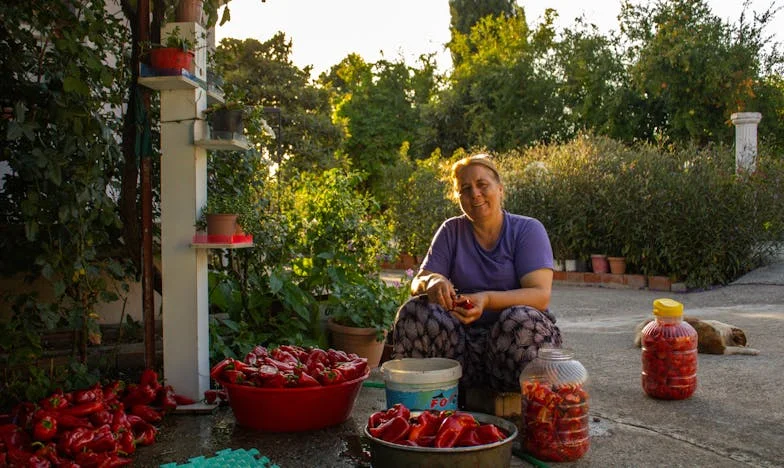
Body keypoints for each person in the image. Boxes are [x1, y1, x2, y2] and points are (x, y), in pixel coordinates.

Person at [391, 153, 563, 392]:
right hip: (462, 351)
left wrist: (487, 300)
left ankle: (528, 406)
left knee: (520, 318)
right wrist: (434, 281)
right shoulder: (451, 230)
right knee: (415, 311)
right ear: (458, 196)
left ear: (500, 189)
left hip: (514, 348)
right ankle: (426, 402)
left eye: (482, 185)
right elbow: (418, 280)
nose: (475, 194)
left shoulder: (527, 230)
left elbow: (540, 295)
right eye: (465, 188)